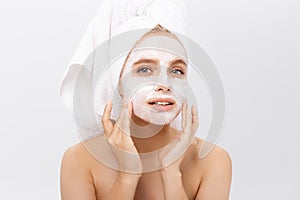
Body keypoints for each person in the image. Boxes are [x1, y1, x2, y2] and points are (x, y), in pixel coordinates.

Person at [60, 23, 232, 200]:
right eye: (145, 70)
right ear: (117, 82)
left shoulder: (213, 160)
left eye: (176, 70)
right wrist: (128, 175)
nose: (165, 84)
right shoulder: (79, 160)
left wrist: (171, 172)